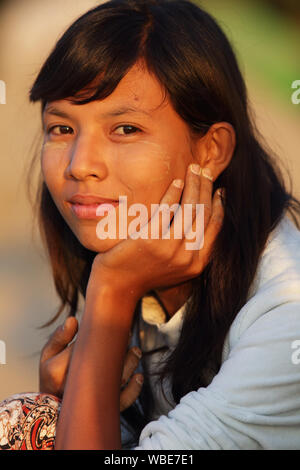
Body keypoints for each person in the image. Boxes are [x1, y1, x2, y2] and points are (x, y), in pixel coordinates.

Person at [2, 0, 300, 450]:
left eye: (124, 129)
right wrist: (72, 396)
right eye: (61, 129)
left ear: (211, 150)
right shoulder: (144, 261)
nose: (80, 165)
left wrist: (111, 292)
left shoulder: (285, 320)